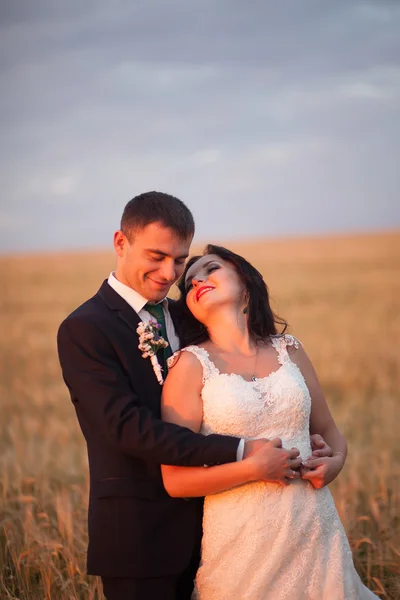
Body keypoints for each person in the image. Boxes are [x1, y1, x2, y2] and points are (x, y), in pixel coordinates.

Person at [57, 192, 331, 600]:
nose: (170, 273)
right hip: (140, 535)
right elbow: (126, 429)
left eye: (180, 260)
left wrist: (300, 436)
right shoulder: (85, 328)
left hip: (224, 527)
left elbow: (236, 378)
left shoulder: (190, 315)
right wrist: (243, 451)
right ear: (120, 243)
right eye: (157, 256)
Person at [161, 244, 379, 600]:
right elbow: (175, 481)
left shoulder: (288, 349)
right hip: (242, 541)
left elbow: (329, 432)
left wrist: (335, 464)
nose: (197, 280)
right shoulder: (189, 366)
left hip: (315, 532)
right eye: (189, 283)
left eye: (211, 269)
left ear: (245, 283)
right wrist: (253, 469)